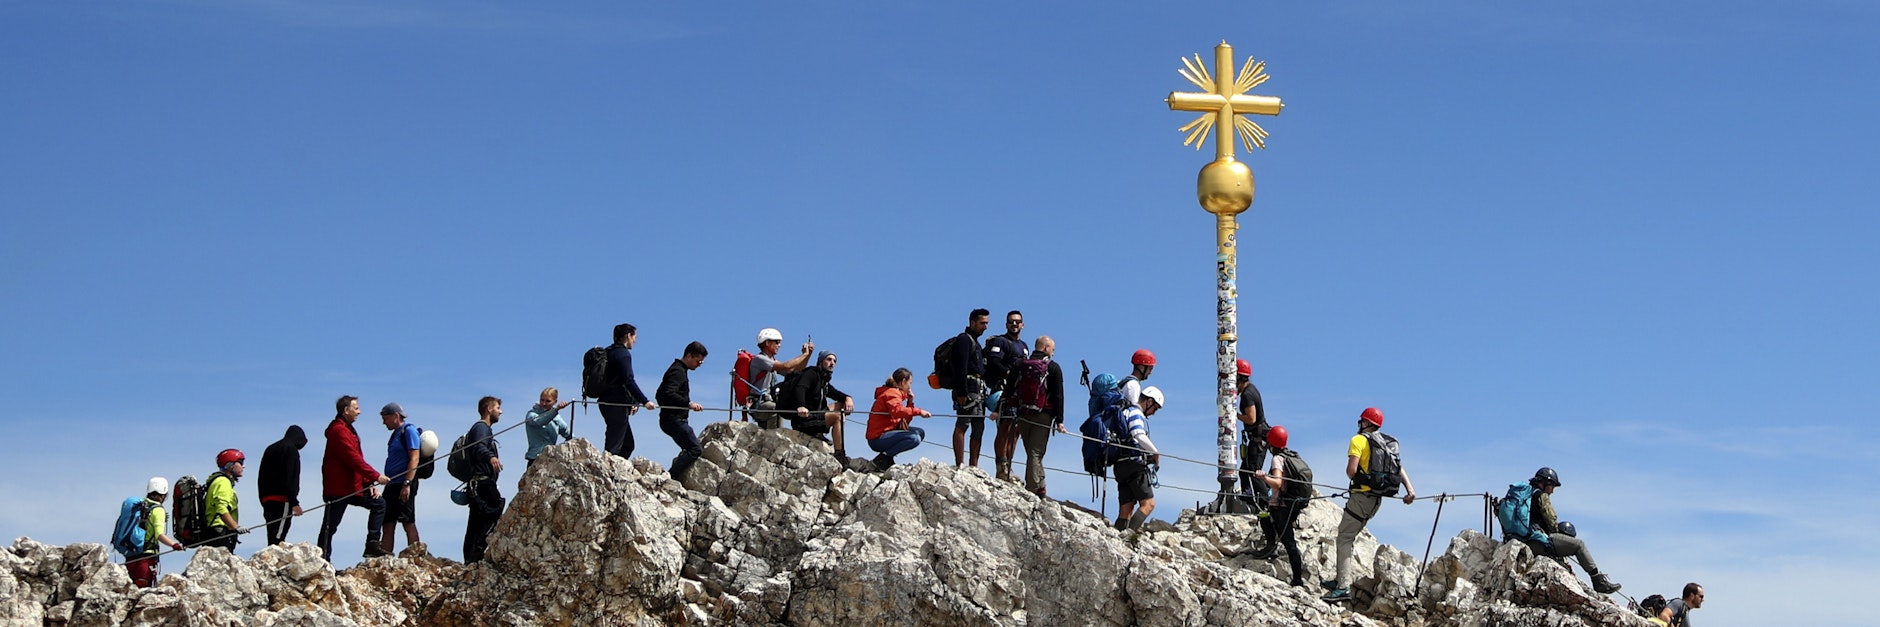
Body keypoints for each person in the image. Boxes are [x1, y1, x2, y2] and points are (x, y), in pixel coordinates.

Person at [1325, 407, 1416, 602]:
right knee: (1349, 536)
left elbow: (1351, 471)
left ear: (1365, 423)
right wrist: (1410, 490)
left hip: (1361, 497)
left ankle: (1342, 587)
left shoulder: (1358, 440)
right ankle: (1342, 577)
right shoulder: (1386, 443)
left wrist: (1359, 477)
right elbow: (1398, 468)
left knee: (1344, 537)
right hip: (1376, 499)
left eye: (1361, 421)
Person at [1510, 467, 1621, 594]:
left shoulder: (1524, 495)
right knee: (1579, 545)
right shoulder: (1541, 496)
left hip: (1520, 540)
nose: (1552, 491)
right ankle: (1598, 581)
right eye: (1552, 486)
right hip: (1536, 542)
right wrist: (1557, 534)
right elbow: (1551, 519)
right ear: (1546, 483)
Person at [317, 395, 392, 562]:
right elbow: (352, 458)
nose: (359, 411)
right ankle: (322, 561)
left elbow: (356, 458)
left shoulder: (348, 429)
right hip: (338, 489)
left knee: (379, 503)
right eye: (356, 408)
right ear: (346, 410)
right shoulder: (338, 430)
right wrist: (375, 476)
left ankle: (372, 544)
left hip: (352, 486)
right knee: (330, 527)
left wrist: (369, 483)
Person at [1251, 426, 1308, 587]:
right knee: (1268, 520)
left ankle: (1297, 578)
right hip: (1293, 504)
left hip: (1281, 506)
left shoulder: (1277, 459)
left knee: (1288, 541)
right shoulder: (1292, 456)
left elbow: (1277, 482)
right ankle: (1272, 547)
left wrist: (1263, 477)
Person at [780, 351, 855, 465]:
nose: (832, 363)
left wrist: (848, 398)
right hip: (803, 419)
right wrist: (801, 406)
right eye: (828, 360)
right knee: (837, 416)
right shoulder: (811, 373)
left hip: (815, 415)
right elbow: (800, 388)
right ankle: (840, 454)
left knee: (842, 405)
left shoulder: (823, 380)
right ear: (821, 361)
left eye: (834, 361)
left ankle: (820, 433)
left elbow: (836, 394)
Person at [1011, 335, 1064, 495]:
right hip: (1043, 415)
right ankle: (1033, 488)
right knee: (1036, 452)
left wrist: (1001, 407)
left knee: (1031, 451)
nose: (1053, 353)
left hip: (1023, 413)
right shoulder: (1053, 367)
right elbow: (1058, 395)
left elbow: (1010, 387)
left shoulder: (1020, 364)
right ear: (1047, 348)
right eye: (1053, 350)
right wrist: (1060, 420)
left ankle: (1040, 485)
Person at [600, 323, 658, 459]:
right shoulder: (623, 354)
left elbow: (617, 380)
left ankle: (616, 474)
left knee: (627, 445)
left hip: (606, 401)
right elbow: (628, 380)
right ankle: (608, 474)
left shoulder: (609, 352)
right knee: (613, 447)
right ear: (628, 336)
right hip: (616, 403)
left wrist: (633, 400)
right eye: (634, 337)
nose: (635, 340)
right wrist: (644, 401)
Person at [984, 310, 1029, 482]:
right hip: (1002, 390)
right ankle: (1001, 467)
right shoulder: (1000, 341)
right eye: (1011, 321)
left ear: (1023, 325)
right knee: (1005, 427)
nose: (1014, 324)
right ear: (1006, 324)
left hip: (1019, 393)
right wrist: (1008, 373)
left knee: (1016, 431)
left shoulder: (1024, 346)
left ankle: (1009, 465)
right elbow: (995, 361)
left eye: (1017, 321)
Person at [1113, 386, 1166, 532]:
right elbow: (1138, 435)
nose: (1153, 413)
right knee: (1148, 504)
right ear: (1149, 402)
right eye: (1155, 408)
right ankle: (1129, 537)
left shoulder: (1124, 411)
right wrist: (1155, 453)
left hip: (1119, 465)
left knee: (1126, 507)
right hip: (1134, 465)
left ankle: (1118, 537)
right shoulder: (1136, 413)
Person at [463, 396, 506, 564]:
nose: (500, 412)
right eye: (497, 408)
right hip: (482, 482)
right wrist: (491, 457)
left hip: (477, 483)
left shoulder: (481, 429)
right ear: (489, 409)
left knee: (475, 520)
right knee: (495, 508)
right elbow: (479, 447)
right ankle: (478, 550)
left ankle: (471, 557)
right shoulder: (482, 428)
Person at [743, 328, 814, 429]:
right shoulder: (760, 359)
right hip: (759, 404)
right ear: (767, 342)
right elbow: (785, 366)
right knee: (777, 409)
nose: (779, 345)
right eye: (777, 342)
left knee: (779, 410)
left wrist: (807, 356)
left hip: (767, 403)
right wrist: (804, 355)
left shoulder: (771, 360)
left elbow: (794, 372)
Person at [657, 342, 709, 479]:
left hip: (671, 419)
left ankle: (674, 475)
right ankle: (670, 476)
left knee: (689, 448)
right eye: (698, 361)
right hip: (674, 420)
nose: (699, 365)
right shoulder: (677, 371)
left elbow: (660, 394)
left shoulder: (678, 370)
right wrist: (688, 404)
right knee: (695, 449)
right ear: (689, 356)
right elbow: (667, 393)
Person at [377, 403, 423, 556]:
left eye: (386, 419)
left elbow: (414, 458)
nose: (384, 423)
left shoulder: (408, 431)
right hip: (392, 483)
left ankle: (416, 555)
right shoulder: (396, 434)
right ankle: (385, 556)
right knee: (387, 521)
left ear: (395, 416)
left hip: (404, 482)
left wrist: (407, 483)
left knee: (407, 520)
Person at [866, 368, 932, 470]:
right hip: (878, 438)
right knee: (914, 438)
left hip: (888, 433)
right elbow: (897, 412)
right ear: (903, 382)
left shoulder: (896, 394)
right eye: (910, 383)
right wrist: (919, 411)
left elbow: (904, 421)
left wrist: (910, 402)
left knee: (920, 432)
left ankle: (887, 456)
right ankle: (884, 458)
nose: (910, 386)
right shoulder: (892, 393)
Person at [948, 309, 990, 468]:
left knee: (979, 426)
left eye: (986, 323)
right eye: (982, 323)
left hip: (979, 389)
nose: (985, 327)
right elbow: (960, 367)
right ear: (972, 323)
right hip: (968, 388)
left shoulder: (976, 343)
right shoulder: (964, 340)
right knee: (963, 423)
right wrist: (961, 392)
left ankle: (974, 465)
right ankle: (960, 463)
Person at [126, 477, 186, 588]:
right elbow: (159, 535)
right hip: (146, 557)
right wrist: (174, 545)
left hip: (129, 556)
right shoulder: (158, 510)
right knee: (143, 589)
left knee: (129, 589)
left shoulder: (139, 506)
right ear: (163, 494)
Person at [257, 425, 307, 546]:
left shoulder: (270, 449)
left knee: (271, 532)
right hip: (283, 499)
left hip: (267, 499)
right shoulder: (291, 450)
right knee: (278, 537)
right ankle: (274, 561)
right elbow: (290, 477)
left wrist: (262, 499)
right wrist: (294, 502)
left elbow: (261, 476)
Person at [1235, 358, 1270, 508]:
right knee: (1245, 471)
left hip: (1258, 438)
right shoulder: (1251, 390)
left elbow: (1251, 418)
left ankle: (1264, 504)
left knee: (1254, 473)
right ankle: (1248, 499)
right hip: (1258, 437)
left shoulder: (1247, 395)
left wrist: (1234, 415)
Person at [199, 448, 246, 552]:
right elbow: (221, 508)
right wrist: (236, 527)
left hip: (216, 532)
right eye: (241, 462)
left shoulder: (218, 481)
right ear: (230, 465)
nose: (243, 466)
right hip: (219, 533)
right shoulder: (223, 482)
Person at [524, 387, 574, 465]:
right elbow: (540, 421)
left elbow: (568, 434)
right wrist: (556, 410)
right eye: (542, 400)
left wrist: (565, 449)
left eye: (548, 401)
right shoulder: (531, 414)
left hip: (551, 459)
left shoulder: (557, 418)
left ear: (555, 401)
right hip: (535, 459)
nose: (544, 403)